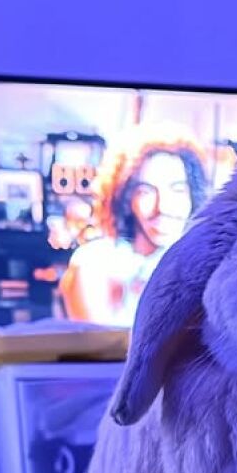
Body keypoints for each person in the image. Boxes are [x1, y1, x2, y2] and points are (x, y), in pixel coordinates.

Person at [60, 125, 207, 326]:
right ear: (125, 198)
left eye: (177, 189)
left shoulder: (206, 267)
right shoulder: (93, 263)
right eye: (146, 191)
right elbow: (102, 350)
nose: (162, 207)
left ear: (193, 196)